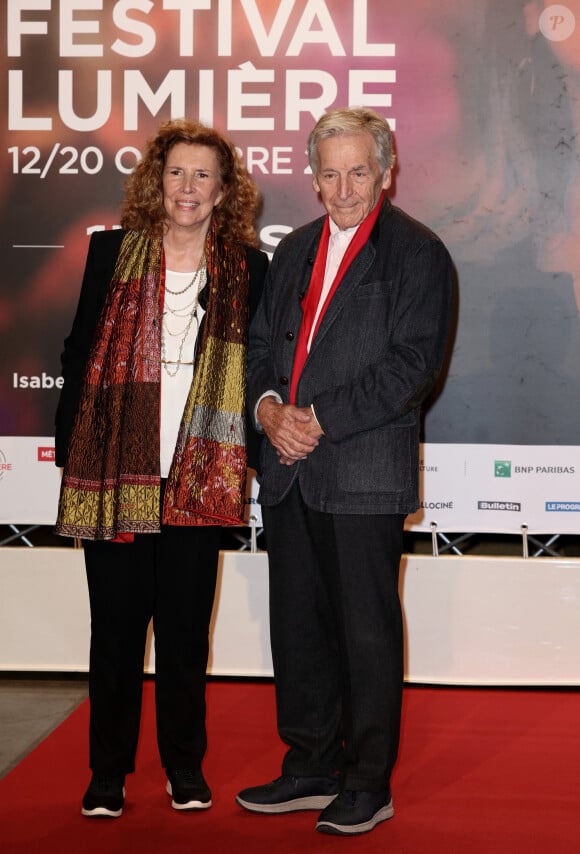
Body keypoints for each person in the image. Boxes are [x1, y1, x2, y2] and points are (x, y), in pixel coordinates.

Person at [236, 108, 454, 836]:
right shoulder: (293, 249)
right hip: (290, 469)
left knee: (365, 634)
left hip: (360, 469)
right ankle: (308, 765)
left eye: (359, 171)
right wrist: (269, 410)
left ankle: (367, 783)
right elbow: (259, 345)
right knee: (297, 627)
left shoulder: (417, 253)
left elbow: (412, 367)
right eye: (329, 173)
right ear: (313, 176)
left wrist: (317, 418)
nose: (343, 187)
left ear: (387, 171)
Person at [54, 118, 268, 818]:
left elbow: (259, 370)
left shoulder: (246, 266)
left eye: (203, 174)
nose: (188, 187)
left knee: (182, 633)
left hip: (198, 475)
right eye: (177, 171)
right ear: (157, 180)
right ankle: (106, 775)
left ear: (223, 190)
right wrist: (76, 454)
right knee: (114, 633)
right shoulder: (111, 252)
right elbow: (78, 351)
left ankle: (184, 767)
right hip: (118, 467)